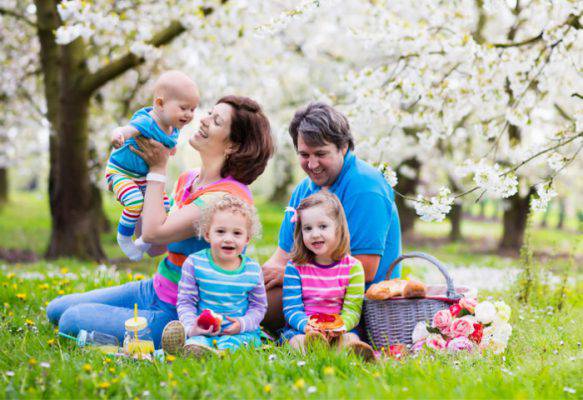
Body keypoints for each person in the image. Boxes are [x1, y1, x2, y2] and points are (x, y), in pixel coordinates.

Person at [46, 95, 274, 349]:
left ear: (232, 145)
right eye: (209, 113)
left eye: (216, 120)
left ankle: (167, 341)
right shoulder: (190, 179)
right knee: (56, 309)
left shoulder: (224, 198)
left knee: (71, 319)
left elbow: (154, 233)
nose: (204, 119)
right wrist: (141, 177)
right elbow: (154, 246)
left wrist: (157, 170)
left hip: (179, 314)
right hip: (155, 289)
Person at [262, 102, 402, 332]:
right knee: (242, 293)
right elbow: (281, 257)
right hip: (307, 290)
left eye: (321, 154)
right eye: (304, 154)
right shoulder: (304, 190)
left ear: (344, 147)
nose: (312, 164)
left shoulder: (366, 187)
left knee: (259, 305)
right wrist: (250, 281)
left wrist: (290, 274)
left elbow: (365, 269)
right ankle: (211, 336)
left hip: (353, 301)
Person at [106, 70, 200, 261]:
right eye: (184, 108)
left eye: (193, 109)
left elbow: (168, 146)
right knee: (134, 202)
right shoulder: (147, 121)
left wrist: (169, 152)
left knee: (163, 208)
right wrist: (117, 136)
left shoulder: (173, 128)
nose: (189, 114)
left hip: (142, 177)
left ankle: (142, 243)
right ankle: (124, 237)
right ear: (160, 103)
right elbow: (125, 129)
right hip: (121, 172)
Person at [162, 195, 266, 356]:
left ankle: (215, 354)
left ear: (247, 239)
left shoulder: (252, 269)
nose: (228, 239)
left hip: (240, 334)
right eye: (220, 231)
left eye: (237, 233)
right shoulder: (195, 263)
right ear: (208, 234)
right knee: (196, 342)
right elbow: (186, 302)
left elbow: (258, 307)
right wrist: (191, 328)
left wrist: (242, 324)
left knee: (234, 345)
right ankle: (184, 350)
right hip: (204, 331)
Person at [281, 191, 374, 360]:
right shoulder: (295, 267)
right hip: (303, 329)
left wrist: (340, 327)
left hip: (338, 330)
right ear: (300, 232)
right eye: (307, 228)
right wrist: (308, 326)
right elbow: (291, 309)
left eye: (323, 226)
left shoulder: (353, 267)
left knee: (350, 339)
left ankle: (347, 354)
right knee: (297, 342)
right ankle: (314, 349)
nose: (315, 234)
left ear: (338, 228)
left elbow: (352, 310)